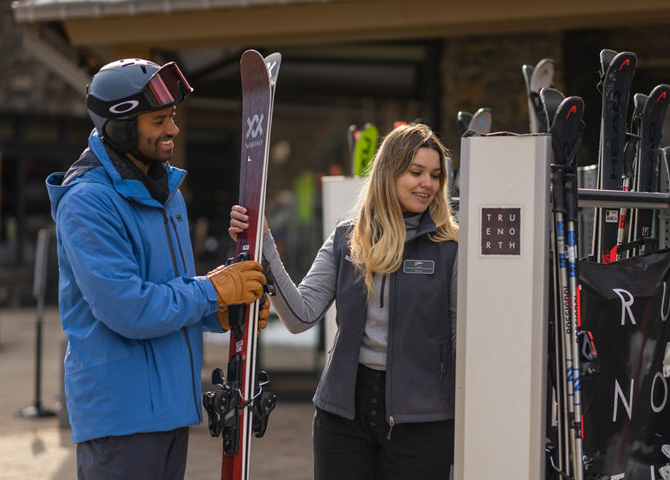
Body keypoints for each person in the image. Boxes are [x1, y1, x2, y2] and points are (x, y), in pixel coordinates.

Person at [46, 58, 269, 479]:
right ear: (121, 125)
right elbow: (128, 308)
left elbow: (171, 291)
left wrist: (222, 310)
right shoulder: (88, 202)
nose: (173, 129)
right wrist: (213, 291)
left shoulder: (166, 194)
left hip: (168, 408)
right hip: (121, 417)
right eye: (159, 120)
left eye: (172, 117)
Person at [229, 123, 458, 479]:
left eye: (435, 175)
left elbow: (463, 340)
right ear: (389, 173)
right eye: (416, 172)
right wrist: (263, 243)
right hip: (343, 414)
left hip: (422, 419)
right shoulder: (347, 238)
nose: (427, 183)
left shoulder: (451, 248)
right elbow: (299, 316)